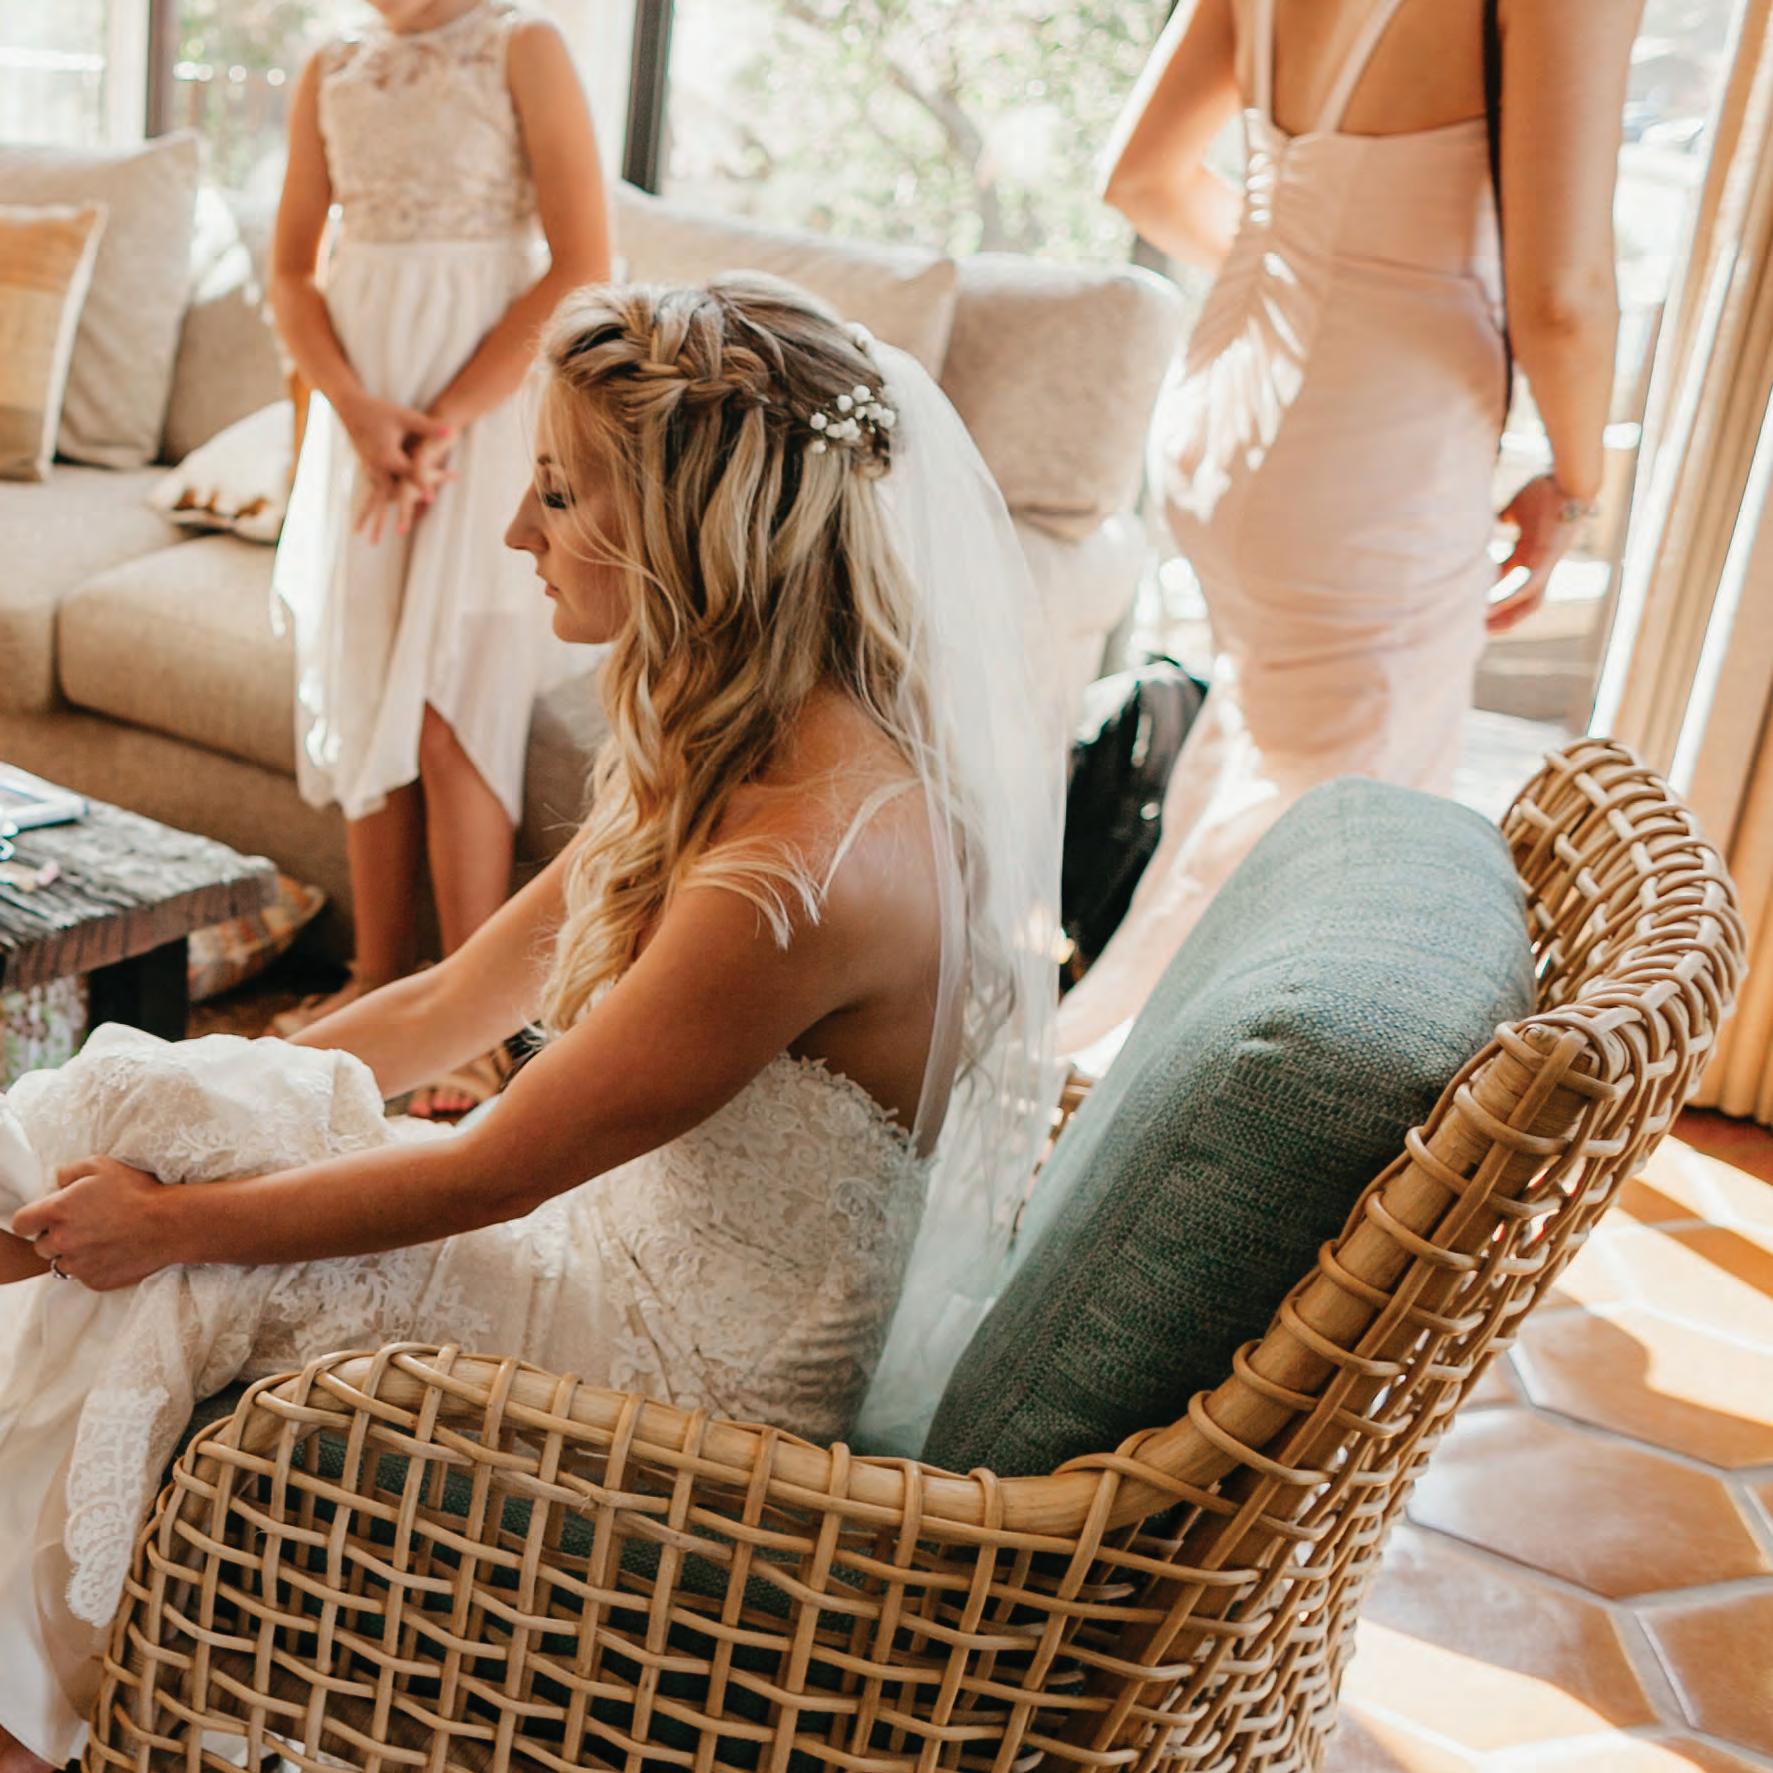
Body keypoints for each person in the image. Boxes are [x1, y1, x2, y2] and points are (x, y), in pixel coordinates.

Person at [0, 276, 1063, 1770]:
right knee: (159, 1116)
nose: (514, 532)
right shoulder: (739, 748)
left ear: (690, 531)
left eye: (558, 493)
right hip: (588, 1246)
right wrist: (216, 1094)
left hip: (672, 1380)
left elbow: (491, 1172)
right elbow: (449, 1001)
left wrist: (168, 1222)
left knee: (168, 1246)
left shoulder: (801, 871)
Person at [1056, 0, 1635, 1058]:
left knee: (1260, 772)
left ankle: (1108, 1076)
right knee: (1336, 851)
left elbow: (1142, 177)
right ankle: (1175, 1099)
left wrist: (1311, 270)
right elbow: (1564, 297)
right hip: (1371, 450)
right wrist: (1575, 488)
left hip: (1227, 404)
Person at [268, 0, 612, 1115]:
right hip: (362, 414)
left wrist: (445, 421)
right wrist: (359, 412)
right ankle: (376, 977)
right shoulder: (330, 63)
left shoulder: (522, 43)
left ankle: (475, 1021)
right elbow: (291, 274)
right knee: (366, 670)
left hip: (487, 406)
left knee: (452, 697)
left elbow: (581, 263)